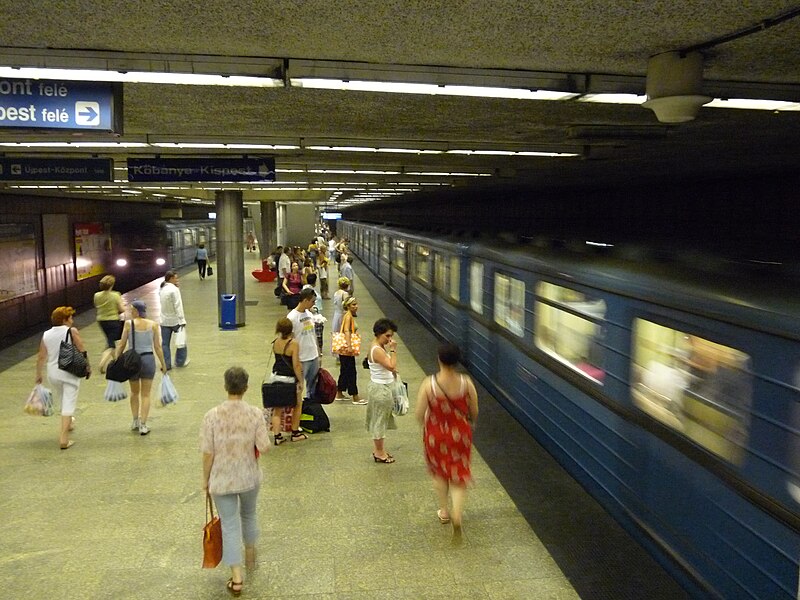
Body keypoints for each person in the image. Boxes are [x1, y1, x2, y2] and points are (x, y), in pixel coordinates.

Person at [200, 366, 270, 597]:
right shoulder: (255, 414)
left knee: (229, 525)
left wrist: (205, 479)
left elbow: (208, 452)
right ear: (246, 388)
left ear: (225, 386)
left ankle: (237, 578)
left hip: (222, 479)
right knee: (249, 515)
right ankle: (250, 552)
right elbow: (264, 447)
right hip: (249, 476)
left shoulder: (211, 415)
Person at [415, 343, 479, 539]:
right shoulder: (466, 382)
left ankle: (444, 511)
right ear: (457, 361)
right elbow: (474, 410)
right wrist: (470, 424)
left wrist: (427, 425)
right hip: (460, 434)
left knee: (440, 472)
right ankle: (457, 515)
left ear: (439, 359)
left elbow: (419, 414)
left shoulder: (429, 384)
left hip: (436, 435)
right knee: (458, 472)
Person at [35, 306, 90, 449]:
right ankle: (64, 439)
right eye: (70, 318)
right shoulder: (71, 331)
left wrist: (38, 374)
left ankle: (69, 422)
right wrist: (87, 366)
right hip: (69, 371)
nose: (72, 320)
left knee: (62, 398)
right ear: (65, 320)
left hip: (53, 373)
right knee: (68, 404)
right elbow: (81, 349)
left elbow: (41, 356)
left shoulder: (46, 334)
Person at [116, 300, 167, 435]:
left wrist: (116, 359)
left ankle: (135, 420)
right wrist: (163, 364)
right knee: (146, 394)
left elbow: (121, 344)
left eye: (132, 309)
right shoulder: (154, 325)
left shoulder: (128, 324)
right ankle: (143, 425)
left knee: (134, 393)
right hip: (148, 359)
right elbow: (157, 347)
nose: (130, 312)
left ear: (137, 311)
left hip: (132, 361)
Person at [269, 318, 307, 444]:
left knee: (277, 409)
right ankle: (295, 433)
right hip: (289, 379)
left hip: (275, 376)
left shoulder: (275, 342)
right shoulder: (293, 344)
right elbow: (296, 365)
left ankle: (277, 436)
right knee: (297, 404)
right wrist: (301, 381)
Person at [366, 318, 399, 463]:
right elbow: (391, 365)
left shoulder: (376, 346)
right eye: (387, 336)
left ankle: (379, 449)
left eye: (391, 336)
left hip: (380, 386)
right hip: (381, 390)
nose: (390, 339)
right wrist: (393, 351)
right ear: (379, 333)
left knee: (380, 418)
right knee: (379, 420)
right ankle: (379, 452)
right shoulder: (377, 350)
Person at [287, 288, 320, 404]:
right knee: (299, 386)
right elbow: (289, 340)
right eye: (312, 301)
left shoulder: (309, 314)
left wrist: (318, 353)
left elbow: (313, 334)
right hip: (302, 358)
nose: (314, 304)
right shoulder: (292, 318)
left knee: (314, 386)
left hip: (313, 355)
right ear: (305, 300)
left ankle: (311, 407)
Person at [336, 297, 366, 404]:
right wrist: (349, 346)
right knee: (351, 372)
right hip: (347, 349)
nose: (356, 306)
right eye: (353, 305)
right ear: (348, 306)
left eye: (356, 304)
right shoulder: (348, 317)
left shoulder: (347, 316)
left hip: (343, 350)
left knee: (344, 371)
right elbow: (347, 331)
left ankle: (339, 392)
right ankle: (355, 396)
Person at [159, 270, 188, 369]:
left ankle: (167, 364)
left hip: (164, 321)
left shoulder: (162, 289)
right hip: (175, 320)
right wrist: (182, 320)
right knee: (181, 341)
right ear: (171, 279)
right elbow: (178, 306)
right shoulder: (174, 290)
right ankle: (180, 362)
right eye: (176, 278)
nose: (177, 279)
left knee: (165, 344)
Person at [93, 274, 124, 349]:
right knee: (111, 342)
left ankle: (114, 358)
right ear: (112, 285)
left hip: (101, 320)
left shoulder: (96, 295)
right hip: (113, 320)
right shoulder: (116, 295)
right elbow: (122, 309)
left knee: (110, 340)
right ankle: (106, 358)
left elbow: (96, 306)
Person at [331, 277, 350, 354]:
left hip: (336, 315)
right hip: (343, 315)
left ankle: (337, 352)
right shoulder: (345, 294)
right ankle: (343, 351)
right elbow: (346, 305)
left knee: (337, 333)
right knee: (343, 333)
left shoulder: (336, 293)